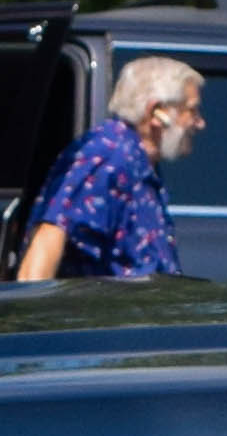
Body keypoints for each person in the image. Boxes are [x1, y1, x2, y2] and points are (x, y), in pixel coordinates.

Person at [16, 56, 202, 281]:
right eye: (191, 110)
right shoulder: (109, 156)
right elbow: (49, 235)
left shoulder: (139, 161)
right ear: (156, 112)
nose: (200, 123)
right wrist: (32, 311)